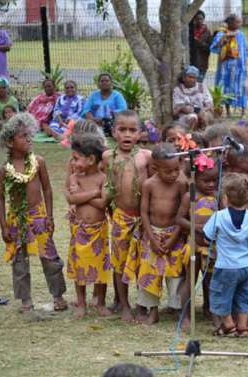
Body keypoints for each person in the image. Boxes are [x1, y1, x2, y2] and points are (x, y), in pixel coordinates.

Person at [0, 113, 67, 312]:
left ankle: (58, 295)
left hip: (39, 216)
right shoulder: (4, 169)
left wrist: (50, 217)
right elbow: (0, 198)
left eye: (30, 135)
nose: (29, 139)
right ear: (10, 142)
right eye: (23, 136)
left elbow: (47, 189)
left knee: (50, 257)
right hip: (17, 218)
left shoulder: (39, 162)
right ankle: (25, 299)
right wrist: (3, 226)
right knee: (20, 259)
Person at [124, 143, 187, 325]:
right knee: (149, 273)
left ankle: (176, 308)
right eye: (168, 171)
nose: (173, 174)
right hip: (152, 234)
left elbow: (182, 214)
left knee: (176, 274)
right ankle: (152, 310)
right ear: (155, 168)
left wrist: (173, 238)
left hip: (174, 234)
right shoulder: (149, 185)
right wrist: (151, 238)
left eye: (176, 169)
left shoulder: (181, 184)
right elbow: (144, 212)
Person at [203, 173, 248, 337]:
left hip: (225, 266)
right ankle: (243, 326)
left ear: (225, 198)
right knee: (244, 296)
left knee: (221, 294)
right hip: (246, 266)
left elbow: (206, 237)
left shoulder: (219, 217)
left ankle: (229, 325)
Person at [104, 110, 152, 322]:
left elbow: (153, 185)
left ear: (140, 134)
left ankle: (142, 305)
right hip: (120, 217)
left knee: (143, 261)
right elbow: (103, 183)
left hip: (142, 218)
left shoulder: (145, 157)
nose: (127, 134)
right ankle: (123, 304)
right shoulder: (108, 157)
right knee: (119, 261)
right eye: (122, 129)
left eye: (132, 130)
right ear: (114, 132)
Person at [66, 134, 111, 318]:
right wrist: (94, 193)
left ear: (91, 159)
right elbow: (71, 198)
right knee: (79, 267)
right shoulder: (75, 177)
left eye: (76, 158)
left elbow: (104, 203)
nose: (73, 162)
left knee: (101, 267)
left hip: (99, 229)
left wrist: (83, 195)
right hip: (80, 229)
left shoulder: (103, 177)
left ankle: (100, 302)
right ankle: (81, 302)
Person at [176, 154, 219, 328]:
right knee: (190, 280)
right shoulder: (190, 196)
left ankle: (209, 309)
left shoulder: (218, 196)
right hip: (194, 244)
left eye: (214, 180)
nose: (211, 184)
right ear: (195, 178)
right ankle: (185, 314)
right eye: (206, 181)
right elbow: (179, 219)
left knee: (210, 280)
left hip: (212, 246)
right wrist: (196, 227)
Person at [210, 14, 248, 117]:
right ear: (230, 23)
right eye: (237, 22)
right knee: (226, 87)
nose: (240, 24)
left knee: (241, 87)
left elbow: (245, 49)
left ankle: (243, 111)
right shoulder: (221, 33)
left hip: (239, 67)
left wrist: (244, 62)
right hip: (225, 68)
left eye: (240, 22)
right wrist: (224, 39)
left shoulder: (241, 35)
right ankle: (227, 111)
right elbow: (214, 48)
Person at [172, 65, 213, 130]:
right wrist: (197, 111)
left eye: (194, 78)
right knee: (193, 118)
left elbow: (209, 104)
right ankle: (191, 135)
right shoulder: (178, 90)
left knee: (206, 115)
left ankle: (204, 134)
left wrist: (203, 111)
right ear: (184, 78)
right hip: (185, 115)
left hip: (202, 112)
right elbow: (181, 107)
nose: (192, 80)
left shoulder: (202, 87)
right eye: (190, 77)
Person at [190, 10, 213, 82]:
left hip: (202, 64)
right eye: (197, 19)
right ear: (193, 20)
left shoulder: (207, 32)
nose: (199, 21)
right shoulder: (190, 31)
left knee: (199, 83)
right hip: (191, 62)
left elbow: (209, 47)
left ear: (204, 19)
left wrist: (198, 42)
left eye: (201, 19)